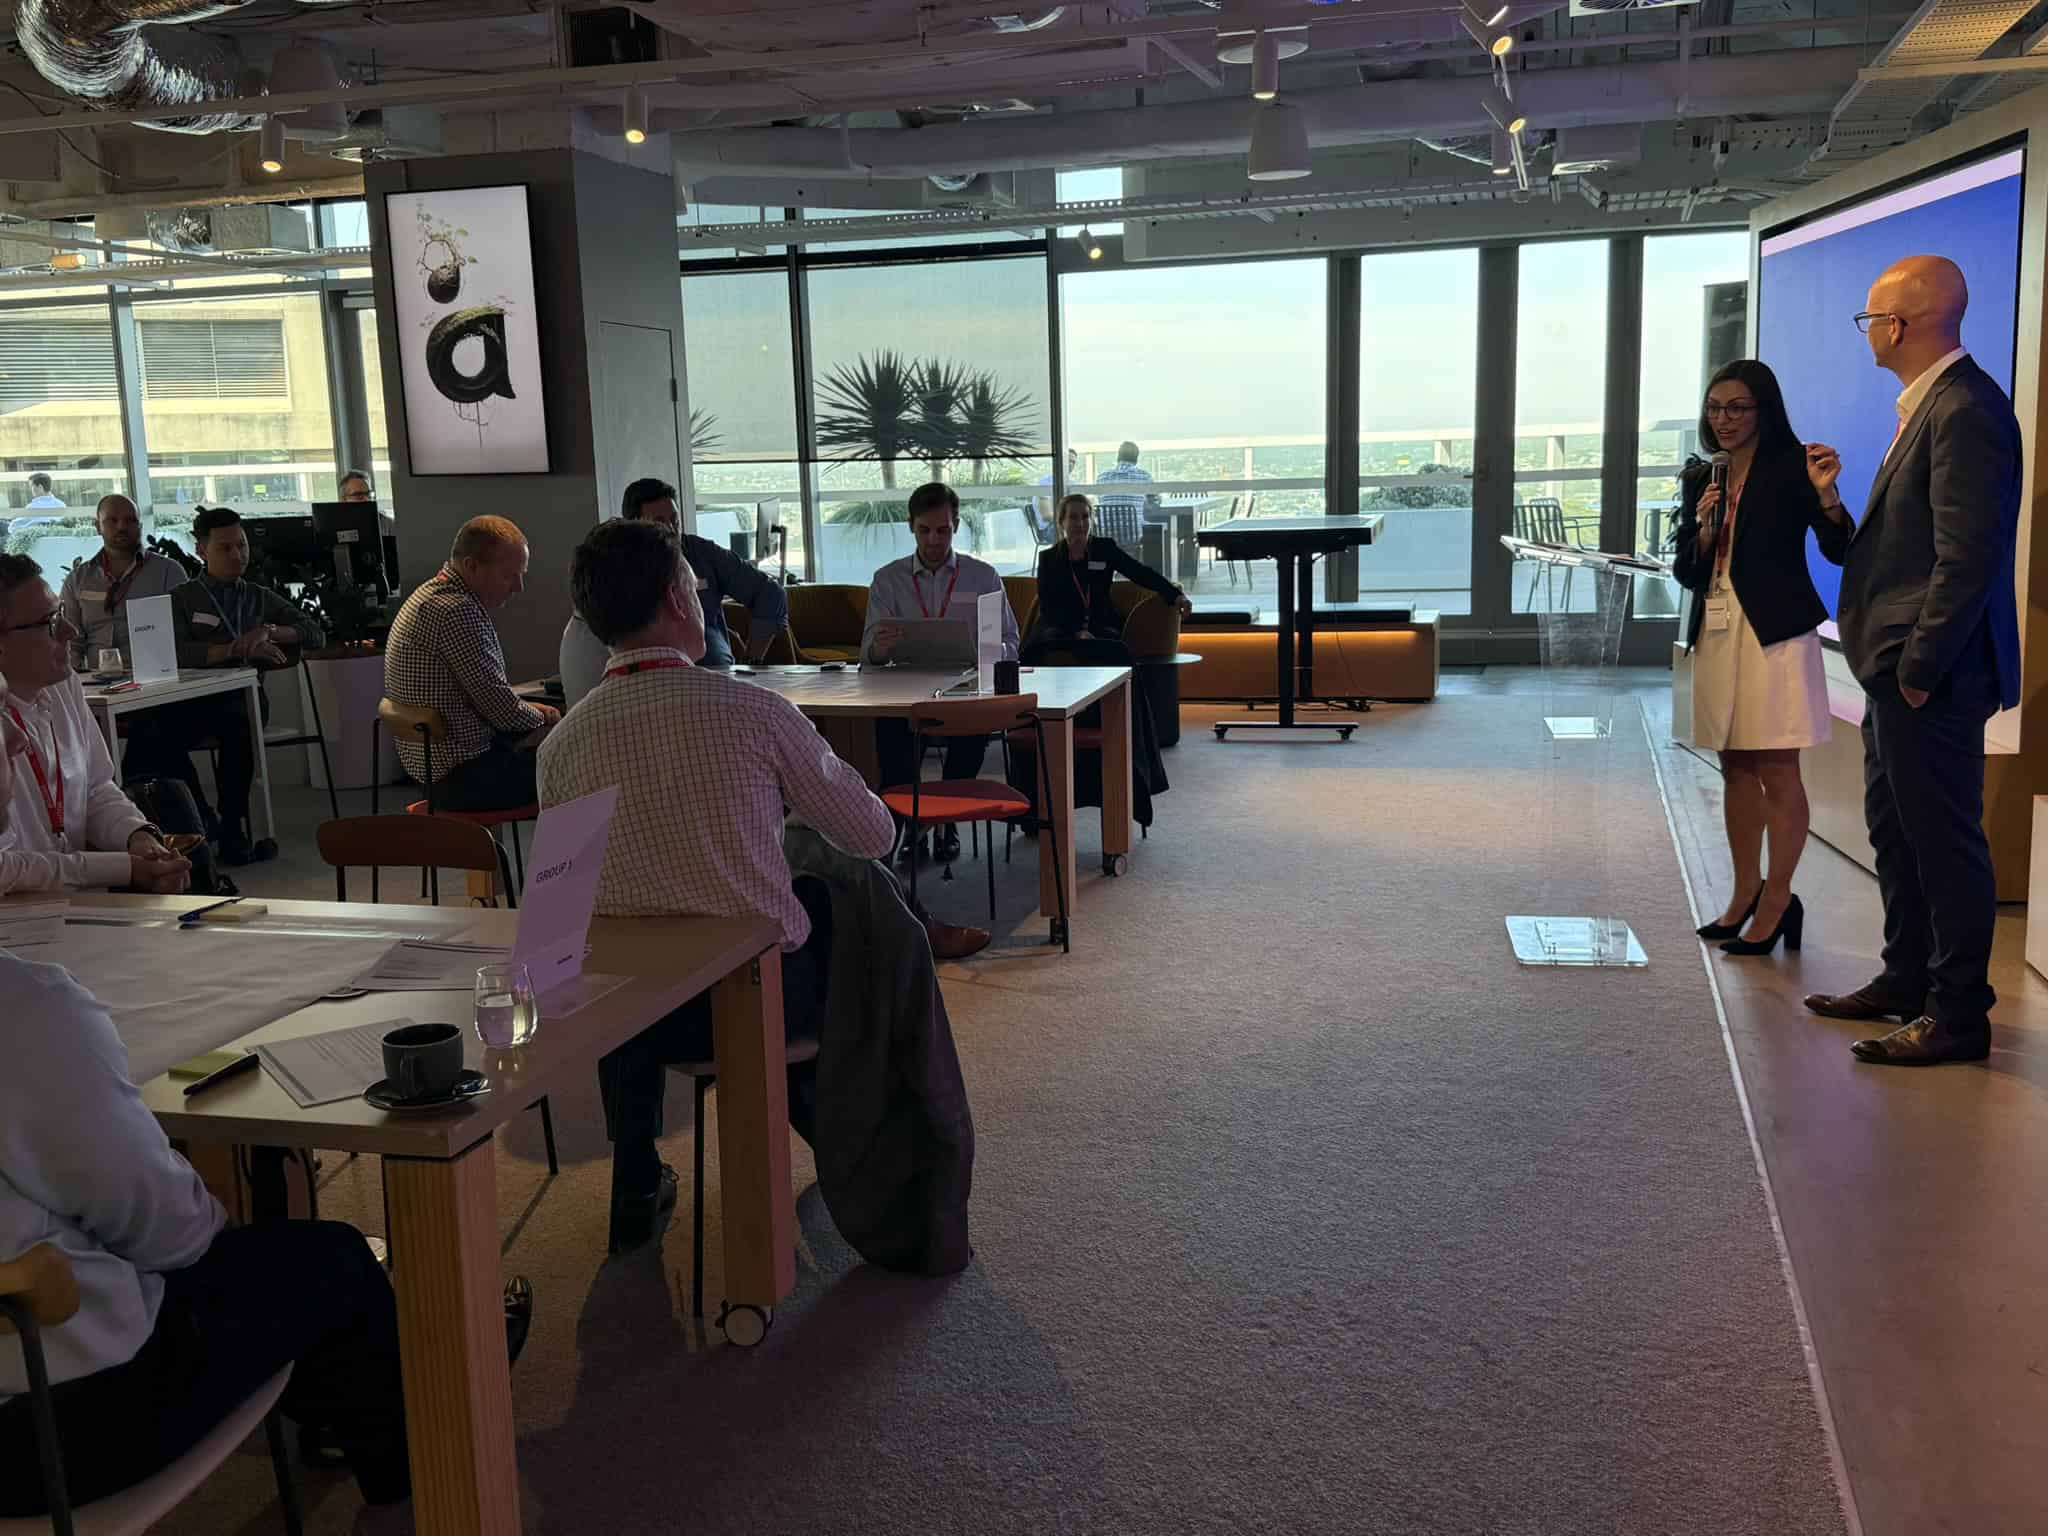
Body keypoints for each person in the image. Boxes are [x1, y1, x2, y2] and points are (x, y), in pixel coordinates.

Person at [537, 519, 986, 1253]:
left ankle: (635, 1176)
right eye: (694, 587)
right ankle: (855, 1142)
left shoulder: (561, 747)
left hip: (636, 1020)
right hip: (761, 1000)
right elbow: (875, 836)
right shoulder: (755, 712)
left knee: (621, 947)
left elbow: (554, 927)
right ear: (679, 600)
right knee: (843, 902)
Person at [1805, 256, 2023, 1067]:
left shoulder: (1964, 409)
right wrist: (1831, 501)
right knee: (1897, 832)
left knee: (1942, 842)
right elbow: (1898, 552)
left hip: (1931, 676)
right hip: (1900, 671)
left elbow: (1967, 560)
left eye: (1871, 318)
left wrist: (1919, 670)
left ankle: (1958, 1014)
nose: (1867, 331)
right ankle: (1907, 980)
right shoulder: (1932, 405)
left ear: (1899, 326)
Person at [1670, 361, 1851, 957]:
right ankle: (1744, 890)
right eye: (1714, 408)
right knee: (1735, 765)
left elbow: (1841, 548)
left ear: (1763, 409)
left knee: (1777, 767)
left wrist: (1828, 497)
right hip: (1718, 629)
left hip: (1774, 633)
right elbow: (1687, 572)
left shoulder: (1796, 465)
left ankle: (1778, 898)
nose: (1723, 420)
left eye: (1737, 408)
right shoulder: (1703, 476)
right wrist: (1703, 530)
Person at [0, 555, 189, 895]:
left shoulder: (63, 685)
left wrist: (137, 837)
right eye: (49, 622)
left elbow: (97, 788)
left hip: (84, 906)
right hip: (17, 916)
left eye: (61, 614)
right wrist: (123, 869)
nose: (70, 630)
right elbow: (4, 869)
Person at [151, 507, 323, 865]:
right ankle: (202, 817)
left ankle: (232, 826)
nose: (237, 555)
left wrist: (269, 631)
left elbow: (314, 632)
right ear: (202, 551)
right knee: (153, 735)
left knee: (238, 725)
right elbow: (176, 652)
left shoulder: (258, 596)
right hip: (192, 700)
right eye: (225, 548)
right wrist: (232, 648)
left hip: (243, 698)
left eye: (242, 545)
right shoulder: (183, 598)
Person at [863, 482, 1020, 862]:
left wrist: (988, 654)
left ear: (957, 526)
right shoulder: (887, 579)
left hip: (966, 687)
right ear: (911, 526)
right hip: (905, 688)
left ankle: (945, 820)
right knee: (892, 742)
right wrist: (879, 649)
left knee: (974, 727)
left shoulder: (983, 576)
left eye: (943, 530)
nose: (934, 539)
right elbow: (867, 656)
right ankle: (910, 823)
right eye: (925, 530)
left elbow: (1011, 641)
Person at [558, 476, 790, 707]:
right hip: (646, 688)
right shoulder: (618, 574)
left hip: (718, 682)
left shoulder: (702, 553)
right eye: (660, 523)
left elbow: (771, 595)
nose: (671, 531)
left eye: (675, 521)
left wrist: (752, 661)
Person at [383, 516, 559, 812]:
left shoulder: (427, 596)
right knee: (581, 764)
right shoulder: (457, 611)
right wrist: (549, 717)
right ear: (472, 566)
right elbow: (503, 714)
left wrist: (528, 710)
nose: (518, 587)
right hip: (465, 777)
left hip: (432, 771)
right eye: (509, 576)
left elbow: (490, 701)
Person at [1031, 493, 1193, 649]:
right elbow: (1049, 607)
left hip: (1100, 625)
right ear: (1061, 522)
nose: (1080, 523)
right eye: (1073, 517)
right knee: (1050, 640)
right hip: (1061, 627)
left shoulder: (1104, 548)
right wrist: (1076, 633)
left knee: (1111, 643)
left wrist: (1175, 595)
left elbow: (1139, 572)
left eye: (1085, 517)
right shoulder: (1049, 559)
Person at [57, 494, 187, 671]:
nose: (121, 526)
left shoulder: (168, 572)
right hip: (97, 680)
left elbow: (184, 635)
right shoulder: (78, 579)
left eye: (130, 520)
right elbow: (70, 641)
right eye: (112, 520)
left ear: (140, 526)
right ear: (98, 526)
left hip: (156, 677)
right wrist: (75, 681)